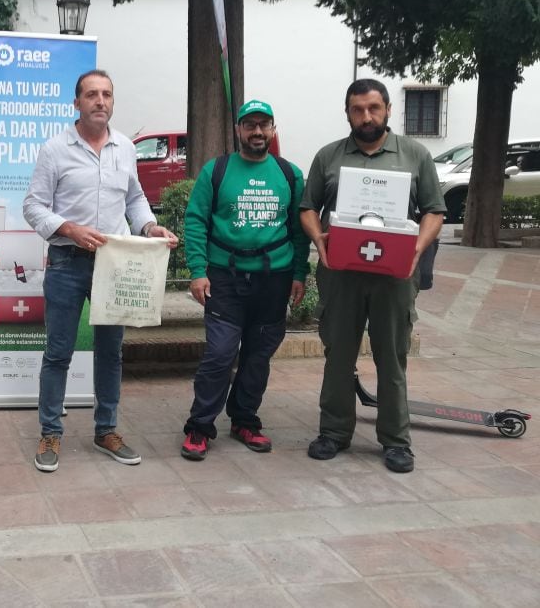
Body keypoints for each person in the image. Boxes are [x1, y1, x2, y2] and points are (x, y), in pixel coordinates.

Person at [23, 69, 178, 473]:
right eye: (91, 94)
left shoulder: (125, 148)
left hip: (114, 264)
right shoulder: (55, 149)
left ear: (112, 101)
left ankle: (106, 429)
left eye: (106, 94)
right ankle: (50, 431)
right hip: (66, 263)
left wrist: (149, 226)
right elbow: (33, 206)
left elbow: (136, 198)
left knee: (110, 354)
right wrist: (69, 229)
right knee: (58, 353)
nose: (100, 101)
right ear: (76, 103)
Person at [300, 78, 445, 474]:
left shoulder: (415, 155)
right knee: (338, 355)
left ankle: (396, 441)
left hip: (394, 276)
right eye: (357, 109)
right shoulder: (328, 156)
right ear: (347, 113)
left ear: (387, 110)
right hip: (342, 274)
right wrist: (318, 238)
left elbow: (434, 210)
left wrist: (417, 246)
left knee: (392, 358)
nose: (366, 116)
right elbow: (308, 206)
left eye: (373, 108)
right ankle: (333, 432)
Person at [179, 100, 309, 461]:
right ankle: (200, 426)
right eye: (249, 125)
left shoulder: (289, 174)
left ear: (272, 129)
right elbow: (195, 221)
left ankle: (244, 419)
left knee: (257, 356)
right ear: (238, 129)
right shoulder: (216, 171)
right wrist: (198, 271)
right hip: (225, 278)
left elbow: (300, 230)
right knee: (220, 354)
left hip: (274, 279)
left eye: (263, 125)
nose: (256, 132)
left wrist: (299, 273)